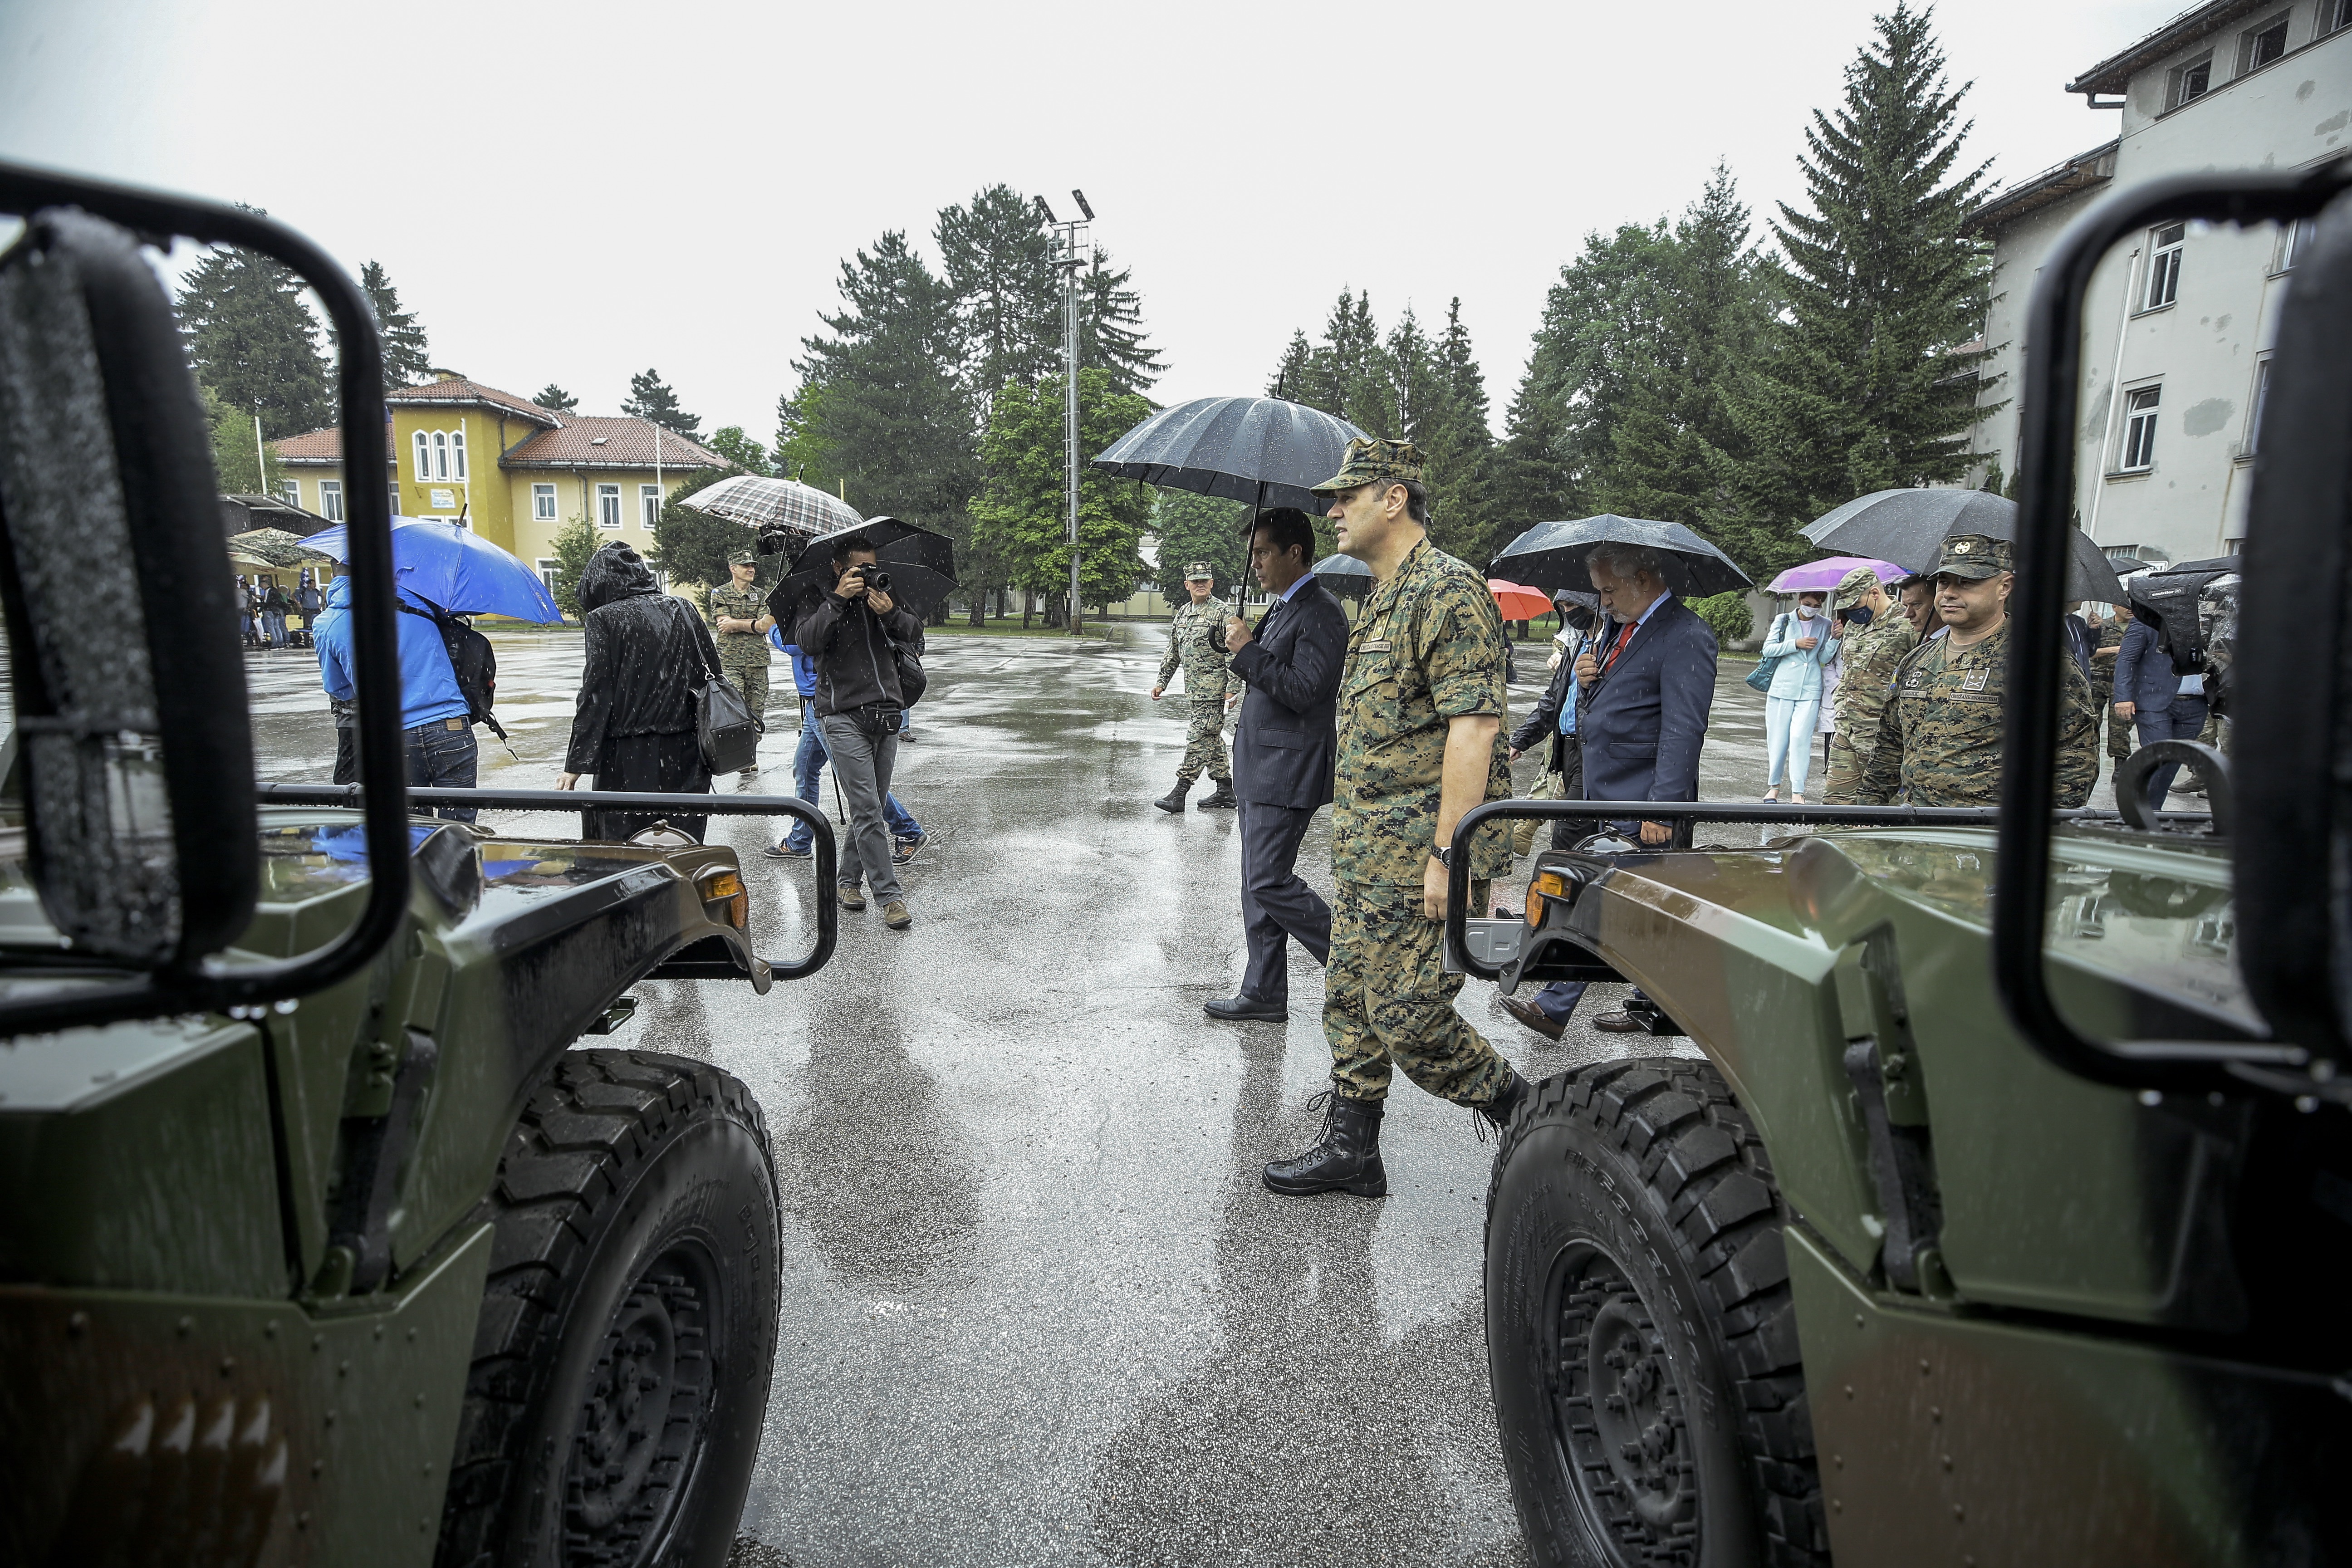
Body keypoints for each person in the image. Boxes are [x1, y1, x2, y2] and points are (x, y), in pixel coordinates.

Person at [1262, 438, 1528, 1198]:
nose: (1332, 512)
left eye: (1346, 497)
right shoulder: (1384, 594)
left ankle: (1534, 1115)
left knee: (1410, 1018)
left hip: (1422, 858)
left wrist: (1450, 856)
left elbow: (1473, 728)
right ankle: (1354, 1149)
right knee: (1348, 997)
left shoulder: (1446, 590)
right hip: (1370, 856)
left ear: (1394, 498)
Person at [1503, 541, 1720, 1039]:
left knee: (1605, 896)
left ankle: (1555, 1006)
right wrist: (1586, 681)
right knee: (1641, 903)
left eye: (1609, 591)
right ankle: (1651, 1006)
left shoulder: (1686, 634)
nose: (1602, 602)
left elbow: (1683, 730)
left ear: (1643, 580)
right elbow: (1606, 705)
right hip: (1609, 792)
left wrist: (1663, 810)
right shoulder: (1622, 628)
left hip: (1644, 799)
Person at [1205, 507, 1348, 1023]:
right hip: (1260, 766)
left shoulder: (1321, 612)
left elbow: (1304, 691)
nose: (1256, 563)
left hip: (1286, 771)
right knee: (1257, 884)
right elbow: (1268, 666)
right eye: (1254, 554)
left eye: (1264, 552)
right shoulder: (1286, 606)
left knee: (1268, 881)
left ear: (1295, 552)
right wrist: (1233, 642)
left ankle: (1356, 966)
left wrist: (1248, 650)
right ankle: (1264, 991)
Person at [1857, 535, 2098, 808]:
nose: (1949, 593)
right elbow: (1889, 745)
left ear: (2004, 588)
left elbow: (2074, 760)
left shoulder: (2039, 663)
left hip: (1986, 828)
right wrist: (1867, 811)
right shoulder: (1917, 660)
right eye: (1944, 582)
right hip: (1916, 822)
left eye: (1967, 583)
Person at [795, 533, 921, 930]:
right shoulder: (816, 596)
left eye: (872, 567)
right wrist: (837, 599)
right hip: (842, 715)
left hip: (887, 713)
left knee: (873, 805)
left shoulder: (884, 593)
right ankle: (890, 897)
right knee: (867, 809)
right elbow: (807, 641)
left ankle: (847, 881)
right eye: (860, 568)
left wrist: (891, 613)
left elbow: (915, 634)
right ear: (839, 567)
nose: (868, 574)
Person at [557, 542, 718, 842]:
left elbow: (596, 694)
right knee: (682, 840)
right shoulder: (683, 608)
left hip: (627, 757)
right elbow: (710, 671)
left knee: (623, 845)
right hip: (686, 749)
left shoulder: (603, 618)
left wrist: (576, 764)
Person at [315, 573, 481, 822]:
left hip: (396, 734)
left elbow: (339, 688)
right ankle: (460, 848)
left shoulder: (328, 623)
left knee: (413, 825)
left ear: (333, 575)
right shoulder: (420, 601)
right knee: (460, 823)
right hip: (451, 726)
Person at [767, 633, 926, 865]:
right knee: (805, 769)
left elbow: (797, 645)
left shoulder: (818, 613)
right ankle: (800, 841)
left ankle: (908, 831)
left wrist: (769, 627)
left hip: (825, 701)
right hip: (815, 701)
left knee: (857, 781)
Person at [1821, 567, 1918, 805]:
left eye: (1855, 605)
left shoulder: (1907, 623)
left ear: (1875, 593)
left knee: (1882, 809)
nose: (1852, 611)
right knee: (1833, 806)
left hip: (1883, 738)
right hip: (1848, 731)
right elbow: (1848, 671)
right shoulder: (1853, 627)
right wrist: (1840, 705)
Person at [1150, 563, 1238, 811]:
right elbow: (1174, 651)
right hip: (1195, 691)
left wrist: (1233, 687)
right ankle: (1225, 791)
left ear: (1212, 584)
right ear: (1187, 585)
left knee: (1198, 739)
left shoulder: (1222, 613)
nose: (1200, 584)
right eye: (1195, 581)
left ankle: (1180, 792)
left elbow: (1234, 651)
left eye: (1205, 581)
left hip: (1215, 692)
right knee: (1211, 739)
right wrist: (1162, 682)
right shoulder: (1183, 613)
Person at [2112, 601, 2209, 811]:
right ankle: (2140, 811)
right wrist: (2123, 697)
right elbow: (2127, 659)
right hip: (2154, 701)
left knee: (2173, 762)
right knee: (2159, 758)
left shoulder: (2210, 623)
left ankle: (2153, 810)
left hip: (2196, 705)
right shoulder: (2147, 621)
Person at [1758, 590, 1840, 804]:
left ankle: (1798, 791)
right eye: (1808, 603)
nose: (1811, 608)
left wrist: (1834, 639)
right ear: (1800, 599)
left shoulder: (1825, 624)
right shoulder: (1783, 620)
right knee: (1778, 740)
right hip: (1782, 688)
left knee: (1800, 739)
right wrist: (1796, 643)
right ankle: (1774, 787)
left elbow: (1824, 657)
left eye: (1817, 605)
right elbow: (1768, 649)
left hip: (1810, 689)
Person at [705, 549, 775, 778]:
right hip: (730, 661)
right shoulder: (720, 593)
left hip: (758, 661)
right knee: (736, 710)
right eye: (745, 565)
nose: (751, 569)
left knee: (756, 710)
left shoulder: (761, 595)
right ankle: (742, 756)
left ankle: (751, 753)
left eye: (752, 565)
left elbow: (766, 625)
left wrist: (738, 624)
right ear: (733, 569)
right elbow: (723, 623)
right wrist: (752, 624)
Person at [293, 570, 324, 650]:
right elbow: (293, 596)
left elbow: (324, 597)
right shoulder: (303, 590)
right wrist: (298, 604)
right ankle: (307, 643)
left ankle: (318, 641)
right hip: (307, 610)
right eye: (313, 584)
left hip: (316, 610)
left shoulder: (316, 591)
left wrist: (321, 604)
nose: (314, 586)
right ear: (309, 584)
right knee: (307, 627)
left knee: (318, 625)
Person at [262, 580, 294, 647]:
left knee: (271, 627)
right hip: (277, 611)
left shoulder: (269, 590)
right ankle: (281, 641)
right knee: (278, 627)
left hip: (270, 610)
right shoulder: (279, 594)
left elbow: (266, 601)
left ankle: (274, 642)